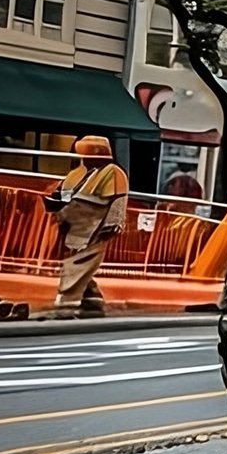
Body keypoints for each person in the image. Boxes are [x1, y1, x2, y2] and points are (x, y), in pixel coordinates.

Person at [42, 136, 128, 318]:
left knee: (79, 264)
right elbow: (61, 192)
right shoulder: (76, 174)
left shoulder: (113, 172)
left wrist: (115, 221)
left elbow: (119, 199)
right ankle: (92, 300)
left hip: (95, 225)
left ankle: (66, 304)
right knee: (79, 264)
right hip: (72, 224)